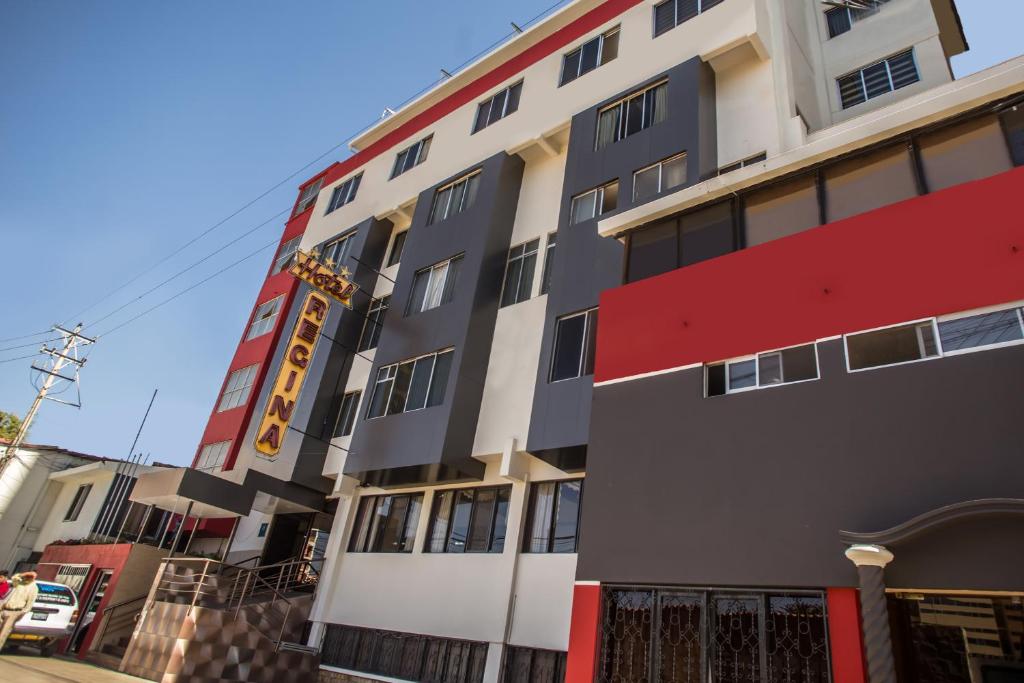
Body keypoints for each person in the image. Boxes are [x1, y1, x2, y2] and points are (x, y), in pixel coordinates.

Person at [0, 571, 39, 651]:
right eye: (27, 576)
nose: (28, 578)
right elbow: (14, 578)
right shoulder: (19, 582)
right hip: (3, 609)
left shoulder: (33, 588)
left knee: (3, 634)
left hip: (14, 612)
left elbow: (29, 604)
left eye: (30, 577)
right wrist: (23, 574)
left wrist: (20, 613)